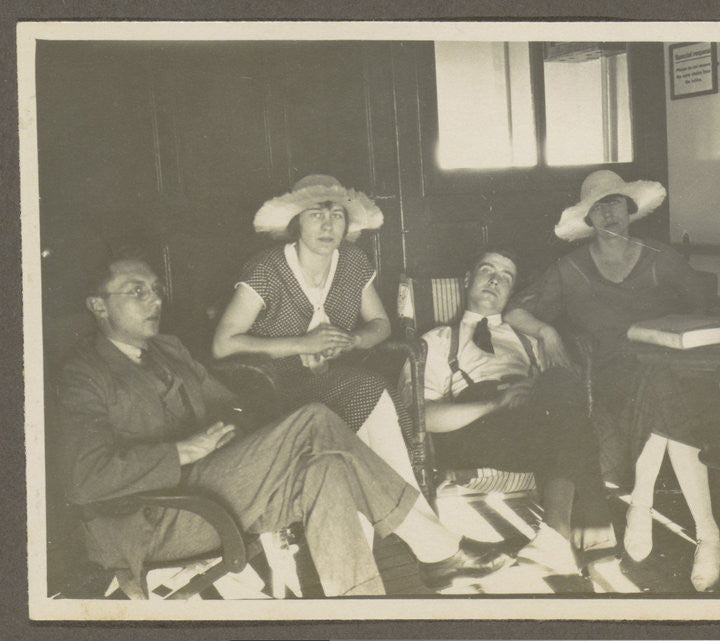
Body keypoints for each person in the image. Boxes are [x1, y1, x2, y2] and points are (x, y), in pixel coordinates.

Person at [59, 250, 511, 596]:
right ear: (98, 306)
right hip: (150, 519)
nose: (154, 299)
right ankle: (438, 552)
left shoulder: (169, 350)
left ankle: (359, 609)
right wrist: (182, 451)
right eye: (136, 291)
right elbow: (84, 479)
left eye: (155, 289)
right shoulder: (83, 374)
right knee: (316, 419)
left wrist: (245, 434)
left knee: (326, 468)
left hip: (207, 486)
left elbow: (232, 404)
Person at [504, 170, 720, 592]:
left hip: (676, 369)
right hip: (613, 376)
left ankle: (647, 507)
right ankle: (706, 532)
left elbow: (708, 305)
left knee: (667, 383)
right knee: (666, 391)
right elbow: (515, 311)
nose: (609, 212)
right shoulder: (570, 269)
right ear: (588, 219)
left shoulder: (661, 257)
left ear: (630, 210)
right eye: (598, 207)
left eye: (615, 202)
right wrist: (547, 331)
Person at [399, 249, 615, 576]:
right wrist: (494, 404)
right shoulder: (435, 341)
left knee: (560, 380)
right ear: (469, 281)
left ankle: (556, 538)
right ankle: (591, 534)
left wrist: (547, 337)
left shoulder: (526, 337)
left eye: (506, 277)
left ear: (510, 292)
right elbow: (422, 417)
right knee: (573, 428)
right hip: (477, 428)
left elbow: (568, 401)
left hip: (534, 426)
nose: (495, 280)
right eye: (487, 270)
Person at [212, 174, 417, 487]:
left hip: (336, 381)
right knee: (369, 389)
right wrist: (303, 344)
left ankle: (394, 498)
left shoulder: (353, 261)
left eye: (337, 216)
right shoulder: (267, 268)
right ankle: (405, 505)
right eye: (316, 215)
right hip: (274, 390)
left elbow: (382, 324)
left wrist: (353, 340)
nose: (328, 226)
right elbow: (223, 345)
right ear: (297, 223)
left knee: (374, 391)